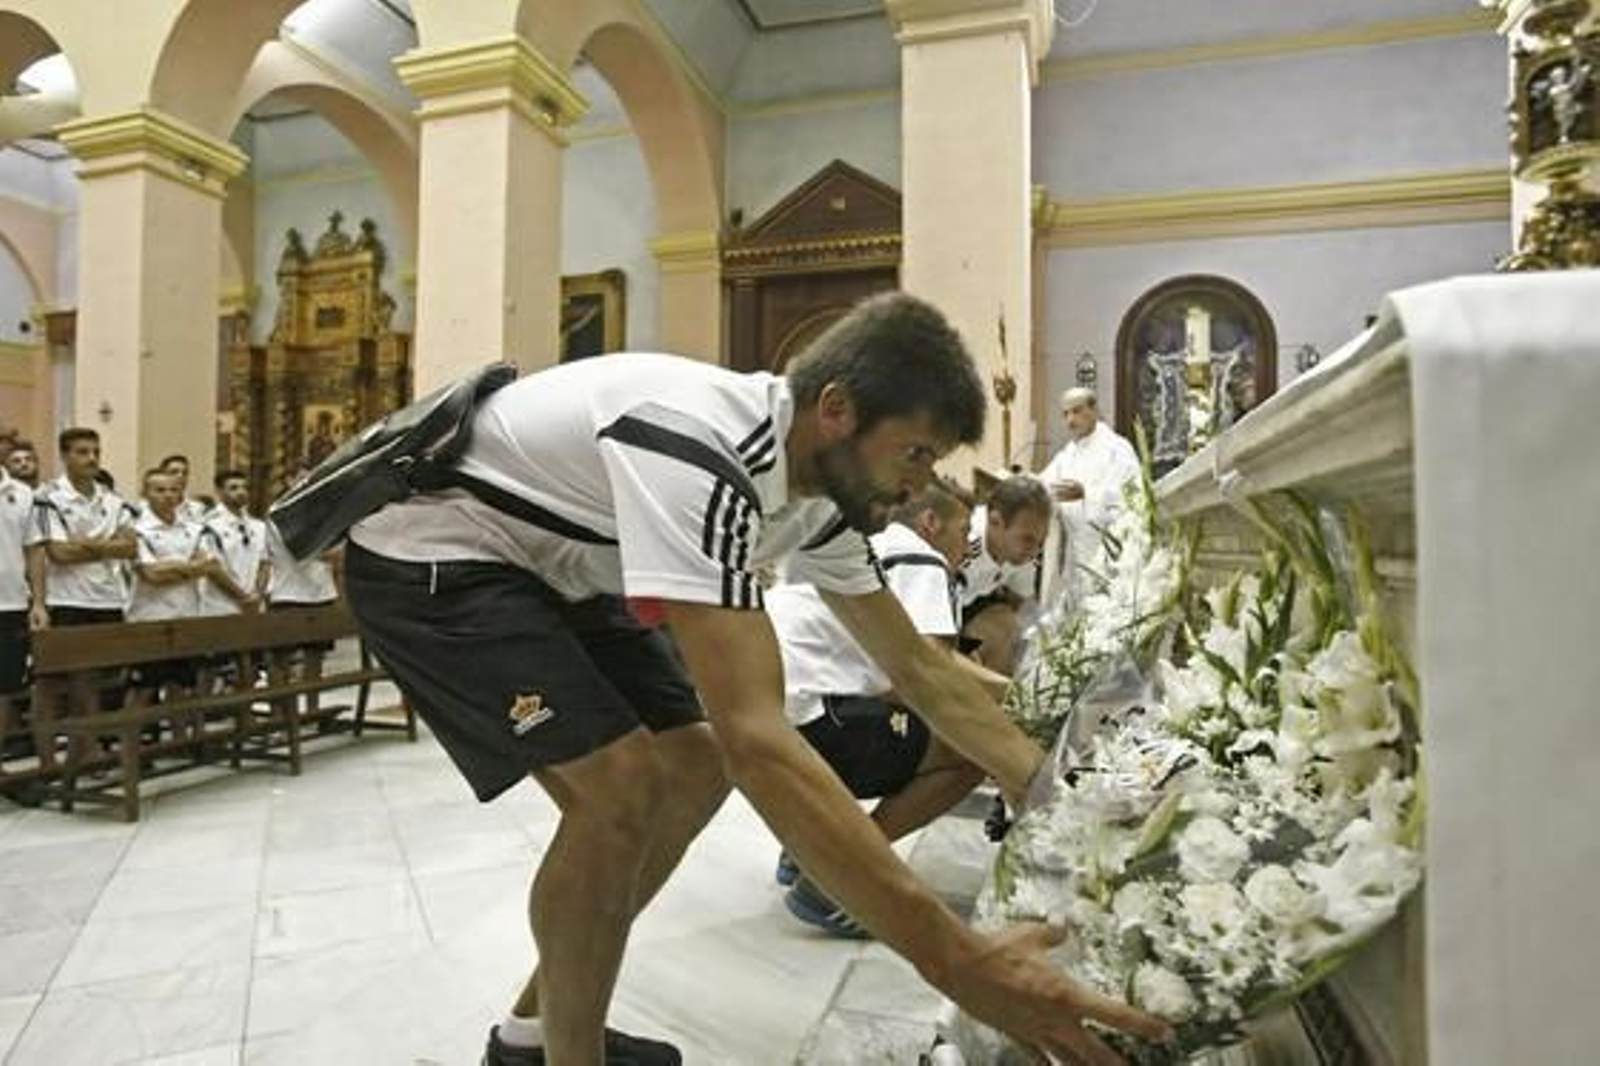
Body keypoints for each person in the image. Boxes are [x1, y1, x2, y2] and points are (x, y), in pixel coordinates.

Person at [340, 292, 1168, 1066]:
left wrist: (1065, 796)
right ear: (837, 409)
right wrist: (957, 963)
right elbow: (759, 742)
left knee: (689, 763)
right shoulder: (701, 449)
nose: (924, 486)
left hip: (560, 569)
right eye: (915, 453)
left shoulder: (819, 497)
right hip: (434, 551)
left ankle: (537, 1033)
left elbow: (918, 666)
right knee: (620, 789)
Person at [768, 476, 1004, 937]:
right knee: (970, 751)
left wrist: (1004, 689)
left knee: (915, 724)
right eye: (963, 534)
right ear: (931, 523)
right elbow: (925, 675)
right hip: (809, 710)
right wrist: (1013, 709)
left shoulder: (875, 545)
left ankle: (806, 851)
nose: (968, 548)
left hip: (768, 706)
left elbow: (916, 659)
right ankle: (839, 877)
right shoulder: (920, 556)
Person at [27, 428, 137, 630]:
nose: (92, 458)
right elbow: (60, 553)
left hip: (110, 600)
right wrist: (110, 546)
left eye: (96, 452)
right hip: (67, 601)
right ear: (64, 456)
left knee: (111, 662)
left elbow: (131, 548)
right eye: (83, 452)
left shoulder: (113, 499)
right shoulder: (47, 497)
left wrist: (84, 543)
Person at [1038, 387, 1140, 602]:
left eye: (1076, 411)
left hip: (1107, 550)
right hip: (1074, 553)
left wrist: (1087, 494)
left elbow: (1132, 499)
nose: (1070, 420)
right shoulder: (1068, 454)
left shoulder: (1117, 449)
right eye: (1065, 414)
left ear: (1093, 409)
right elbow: (1043, 483)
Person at [957, 474, 1053, 673]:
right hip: (936, 609)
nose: (1034, 552)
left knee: (1010, 627)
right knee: (994, 635)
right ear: (995, 522)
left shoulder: (1025, 550)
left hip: (972, 600)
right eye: (1027, 539)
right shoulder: (963, 546)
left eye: (1040, 542)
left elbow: (1025, 604)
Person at [197, 469, 268, 617]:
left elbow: (264, 563)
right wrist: (243, 597)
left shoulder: (259, 526)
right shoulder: (208, 525)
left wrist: (257, 595)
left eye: (245, 488)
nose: (241, 492)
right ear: (219, 491)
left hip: (254, 606)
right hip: (221, 606)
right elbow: (212, 568)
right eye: (234, 488)